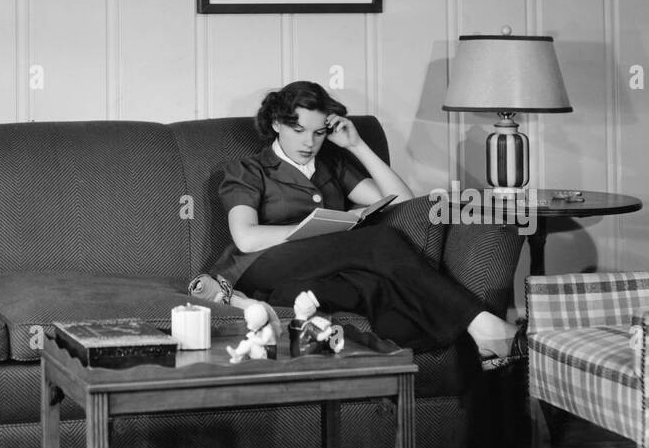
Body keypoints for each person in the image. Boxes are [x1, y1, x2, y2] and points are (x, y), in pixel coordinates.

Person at [214, 80, 523, 366]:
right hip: (258, 266)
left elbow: (403, 202)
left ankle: (442, 358)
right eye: (298, 130)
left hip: (311, 275)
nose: (309, 142)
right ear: (277, 123)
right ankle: (485, 325)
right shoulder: (248, 170)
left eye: (319, 132)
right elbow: (246, 238)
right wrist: (308, 230)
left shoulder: (331, 164)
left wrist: (356, 146)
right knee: (379, 238)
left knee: (371, 285)